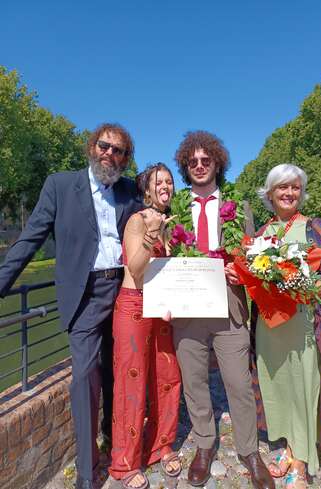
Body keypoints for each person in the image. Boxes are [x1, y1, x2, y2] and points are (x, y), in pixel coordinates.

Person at [0, 123, 142, 489]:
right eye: (103, 146)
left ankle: (116, 442)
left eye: (118, 150)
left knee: (116, 373)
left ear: (126, 159)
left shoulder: (129, 191)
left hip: (124, 291)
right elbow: (30, 237)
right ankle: (85, 471)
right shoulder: (60, 185)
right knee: (83, 378)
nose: (109, 154)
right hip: (85, 293)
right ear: (91, 147)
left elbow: (154, 227)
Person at [172, 131, 274, 489]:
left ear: (217, 163)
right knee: (194, 383)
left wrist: (241, 271)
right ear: (186, 166)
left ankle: (249, 451)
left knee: (238, 383)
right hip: (186, 309)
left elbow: (253, 256)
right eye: (193, 161)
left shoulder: (239, 206)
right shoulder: (174, 207)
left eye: (206, 160)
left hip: (230, 305)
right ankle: (204, 445)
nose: (200, 166)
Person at [251, 164, 321, 488]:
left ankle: (302, 458)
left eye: (295, 187)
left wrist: (307, 287)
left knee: (304, 389)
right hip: (269, 329)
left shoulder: (317, 229)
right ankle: (284, 444)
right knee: (275, 386)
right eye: (282, 187)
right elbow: (254, 278)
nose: (289, 193)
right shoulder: (260, 236)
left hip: (306, 328)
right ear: (269, 193)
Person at [109, 163, 182, 489]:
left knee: (167, 378)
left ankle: (161, 445)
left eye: (169, 181)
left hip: (162, 308)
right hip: (135, 307)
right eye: (159, 182)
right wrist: (153, 233)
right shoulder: (138, 221)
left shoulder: (173, 223)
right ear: (147, 189)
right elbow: (136, 270)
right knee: (132, 385)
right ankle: (125, 463)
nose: (165, 186)